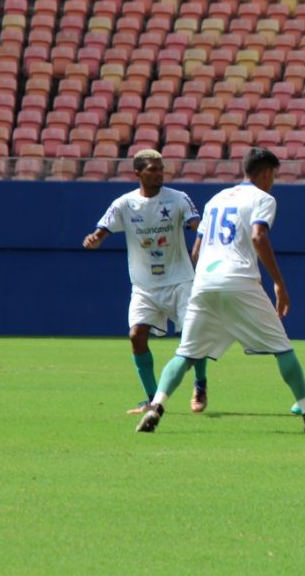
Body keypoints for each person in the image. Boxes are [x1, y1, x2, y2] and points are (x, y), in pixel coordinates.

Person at [135, 148, 305, 434]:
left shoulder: (217, 199)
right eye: (273, 175)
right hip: (239, 278)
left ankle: (156, 407)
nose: (273, 182)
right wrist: (279, 282)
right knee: (282, 348)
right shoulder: (263, 198)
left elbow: (197, 249)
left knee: (185, 354)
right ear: (266, 173)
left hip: (204, 281)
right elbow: (258, 235)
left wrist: (196, 282)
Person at [83, 149, 210, 414]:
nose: (158, 173)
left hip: (180, 280)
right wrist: (95, 240)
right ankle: (152, 398)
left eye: (161, 168)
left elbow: (196, 223)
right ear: (138, 172)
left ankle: (200, 383)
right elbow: (101, 231)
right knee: (136, 336)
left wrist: (204, 231)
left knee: (192, 335)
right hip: (144, 286)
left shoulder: (178, 199)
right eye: (152, 169)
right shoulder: (124, 204)